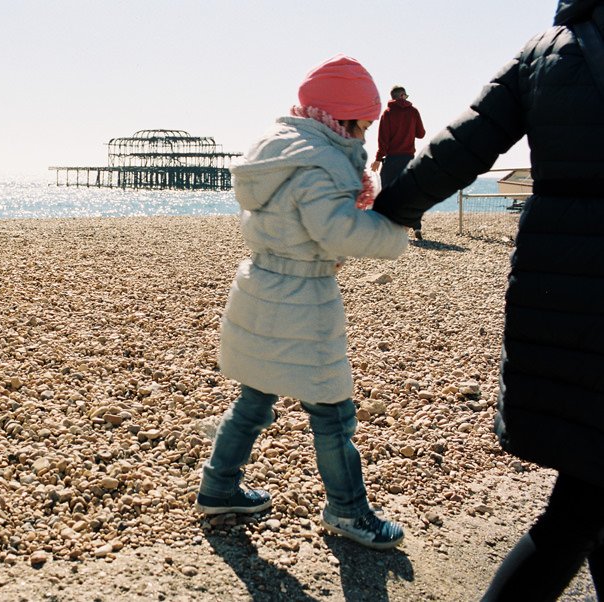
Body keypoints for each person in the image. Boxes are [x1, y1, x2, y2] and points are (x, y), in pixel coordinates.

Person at [371, 0, 604, 598]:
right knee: (582, 507)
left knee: (588, 489)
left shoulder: (545, 53)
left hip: (560, 276)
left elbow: (465, 143)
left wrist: (389, 214)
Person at [194, 54, 409, 551]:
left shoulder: (283, 151)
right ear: (344, 118)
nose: (365, 136)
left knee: (254, 398)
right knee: (332, 411)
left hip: (261, 286)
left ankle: (218, 487)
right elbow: (334, 229)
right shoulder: (320, 163)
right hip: (302, 297)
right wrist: (393, 233)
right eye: (365, 124)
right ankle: (348, 510)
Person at [370, 86, 425, 239]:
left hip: (392, 159)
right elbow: (421, 134)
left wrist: (378, 159)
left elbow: (383, 141)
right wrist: (409, 129)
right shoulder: (413, 111)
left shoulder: (387, 113)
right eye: (405, 95)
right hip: (408, 158)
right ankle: (416, 227)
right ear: (401, 95)